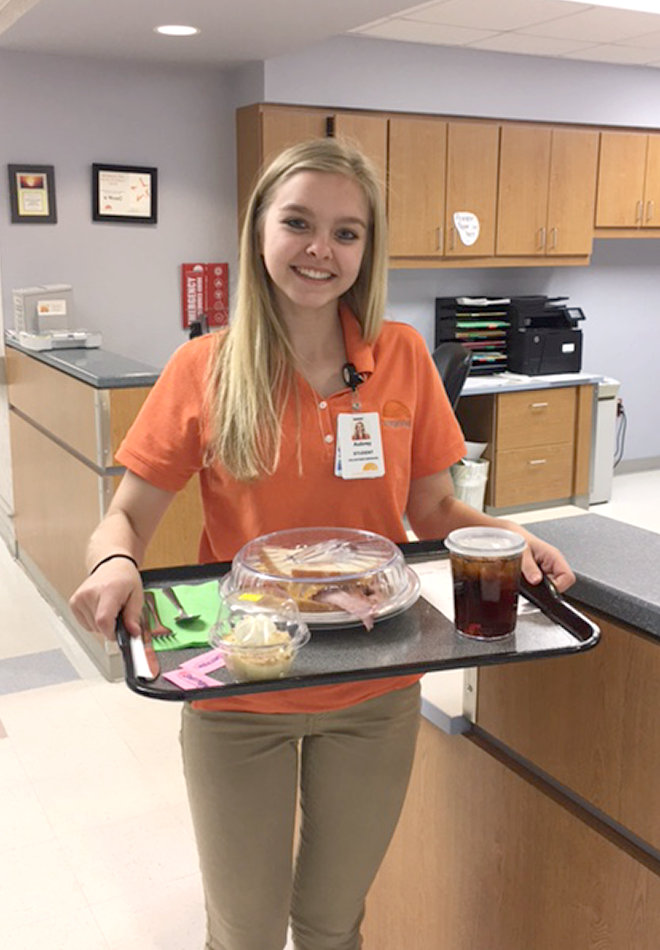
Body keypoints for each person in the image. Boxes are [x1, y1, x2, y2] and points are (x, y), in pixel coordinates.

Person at [69, 139, 575, 950]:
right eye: (298, 222)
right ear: (259, 231)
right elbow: (124, 516)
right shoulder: (204, 368)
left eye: (347, 232)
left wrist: (515, 538)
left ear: (367, 249)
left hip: (373, 691)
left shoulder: (403, 356)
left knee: (334, 926)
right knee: (246, 931)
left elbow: (437, 506)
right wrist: (115, 560)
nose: (320, 249)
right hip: (241, 687)